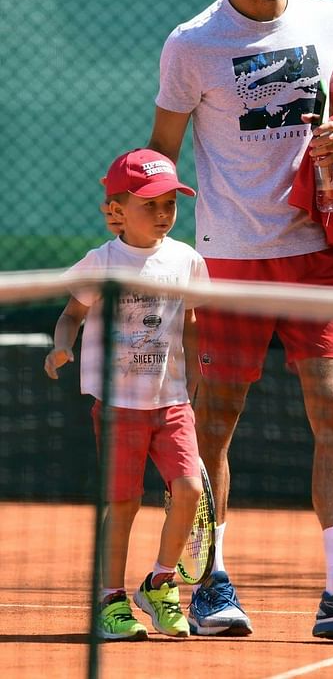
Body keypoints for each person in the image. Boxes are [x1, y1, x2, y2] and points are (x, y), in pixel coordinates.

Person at [108, 0, 333, 639]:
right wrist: (143, 250)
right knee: (213, 426)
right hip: (229, 261)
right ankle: (209, 580)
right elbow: (163, 155)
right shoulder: (191, 45)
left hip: (319, 255)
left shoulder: (326, 20)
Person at [45, 148, 209, 641]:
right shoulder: (102, 263)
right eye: (150, 204)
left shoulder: (187, 259)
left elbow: (193, 325)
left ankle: (159, 583)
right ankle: (111, 601)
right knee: (123, 504)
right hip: (119, 409)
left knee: (190, 490)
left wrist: (195, 383)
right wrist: (60, 347)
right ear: (117, 209)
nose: (163, 214)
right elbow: (71, 314)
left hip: (173, 403)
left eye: (171, 205)